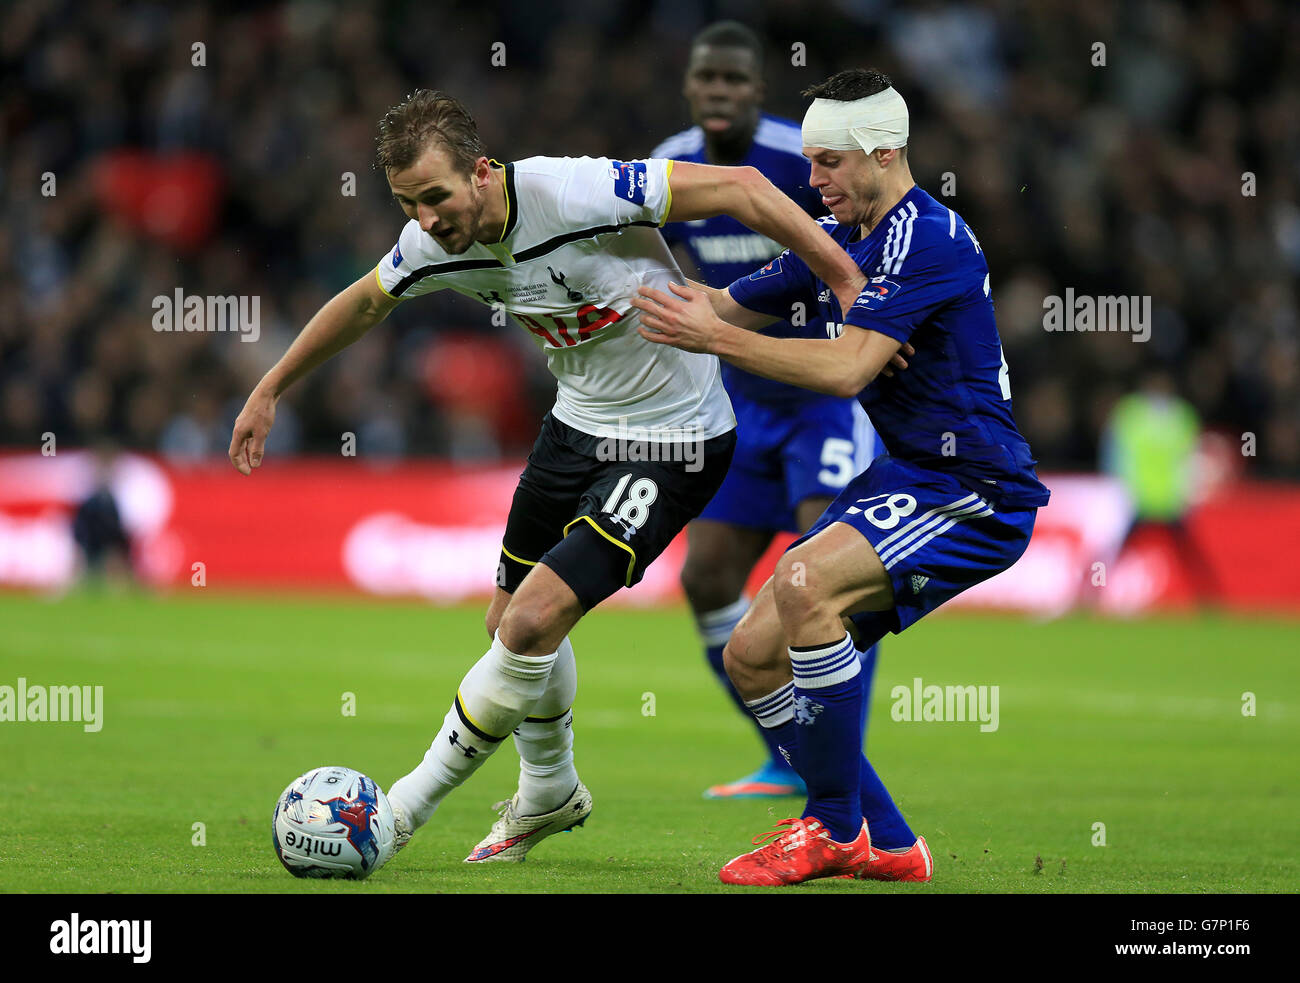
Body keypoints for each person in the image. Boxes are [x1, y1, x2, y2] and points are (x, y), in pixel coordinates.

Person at [227, 89, 881, 865]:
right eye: (409, 204)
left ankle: (401, 810)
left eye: (436, 197)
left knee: (532, 621)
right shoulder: (431, 244)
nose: (428, 219)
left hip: (676, 438)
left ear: (480, 173)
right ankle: (550, 787)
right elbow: (366, 302)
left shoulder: (573, 191)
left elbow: (741, 187)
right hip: (576, 427)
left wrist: (845, 279)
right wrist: (271, 385)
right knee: (506, 622)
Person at [633, 69, 1051, 885]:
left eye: (828, 163)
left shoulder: (925, 238)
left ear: (885, 154)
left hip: (972, 489)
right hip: (907, 473)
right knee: (753, 656)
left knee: (803, 582)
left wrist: (711, 339)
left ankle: (830, 826)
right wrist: (603, 298)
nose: (813, 180)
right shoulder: (845, 240)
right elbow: (719, 303)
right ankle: (889, 842)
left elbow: (846, 370)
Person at [653, 21, 892, 800]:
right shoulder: (668, 167)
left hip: (819, 395)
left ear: (758, 89)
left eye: (734, 81)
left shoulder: (802, 160)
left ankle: (837, 764)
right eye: (706, 80)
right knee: (707, 575)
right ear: (690, 86)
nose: (719, 93)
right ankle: (784, 752)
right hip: (738, 401)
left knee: (824, 574)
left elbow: (868, 235)